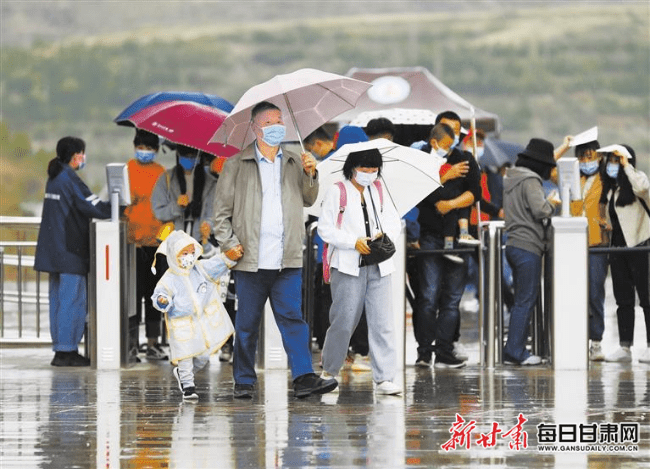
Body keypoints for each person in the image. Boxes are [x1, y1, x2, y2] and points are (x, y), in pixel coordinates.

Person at [213, 101, 338, 399]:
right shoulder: (236, 164)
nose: (276, 126)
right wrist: (230, 244)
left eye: (279, 121)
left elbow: (309, 200)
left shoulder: (296, 161)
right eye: (269, 122)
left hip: (287, 258)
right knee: (246, 324)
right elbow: (220, 215)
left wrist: (311, 174)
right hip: (250, 259)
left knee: (293, 319)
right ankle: (243, 379)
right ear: (255, 128)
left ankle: (304, 378)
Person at [318, 148, 403, 395]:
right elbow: (325, 229)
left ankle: (385, 377)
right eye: (364, 169)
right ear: (352, 167)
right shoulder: (338, 190)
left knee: (382, 321)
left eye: (374, 169)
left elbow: (393, 220)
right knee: (344, 319)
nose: (369, 174)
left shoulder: (378, 189)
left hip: (378, 262)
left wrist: (383, 235)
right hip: (347, 264)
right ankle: (329, 370)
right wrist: (352, 241)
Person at [34, 136, 112, 366]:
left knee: (58, 301)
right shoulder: (70, 178)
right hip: (70, 251)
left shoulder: (55, 176)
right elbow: (93, 206)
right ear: (76, 154)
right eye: (82, 153)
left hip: (53, 251)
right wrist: (119, 206)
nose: (83, 157)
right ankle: (67, 351)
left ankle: (60, 348)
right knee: (73, 301)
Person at [414, 122, 481, 368]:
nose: (450, 148)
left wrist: (449, 204)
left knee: (452, 298)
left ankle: (444, 350)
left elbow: (474, 193)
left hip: (459, 236)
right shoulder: (420, 158)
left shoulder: (465, 158)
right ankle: (424, 351)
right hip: (429, 234)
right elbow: (419, 193)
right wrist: (446, 176)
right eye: (446, 143)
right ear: (434, 141)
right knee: (428, 296)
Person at [151, 230, 235, 400]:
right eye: (184, 253)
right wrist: (163, 300)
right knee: (185, 356)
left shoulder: (199, 269)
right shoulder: (169, 278)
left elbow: (216, 264)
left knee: (203, 357)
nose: (189, 256)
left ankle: (182, 375)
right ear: (175, 255)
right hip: (181, 324)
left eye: (191, 252)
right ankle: (188, 386)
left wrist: (229, 258)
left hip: (199, 323)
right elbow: (160, 294)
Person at [502, 138, 561, 366]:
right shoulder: (531, 180)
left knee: (521, 300)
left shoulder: (511, 178)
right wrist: (552, 202)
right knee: (525, 301)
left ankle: (514, 349)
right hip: (529, 246)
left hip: (514, 244)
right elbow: (540, 210)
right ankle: (515, 352)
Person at [598, 146, 650, 363]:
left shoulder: (637, 181)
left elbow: (643, 189)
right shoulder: (610, 189)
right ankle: (625, 346)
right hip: (618, 248)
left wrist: (626, 165)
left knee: (647, 298)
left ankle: (648, 345)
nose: (612, 164)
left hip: (640, 246)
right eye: (610, 160)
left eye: (616, 160)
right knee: (623, 299)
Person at [123, 129, 168, 362]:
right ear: (134, 146)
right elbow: (118, 204)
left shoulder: (162, 173)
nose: (144, 151)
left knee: (154, 296)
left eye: (149, 148)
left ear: (156, 150)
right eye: (140, 146)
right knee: (133, 297)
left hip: (155, 244)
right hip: (133, 244)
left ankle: (152, 344)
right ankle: (132, 344)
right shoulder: (127, 170)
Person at [150, 144, 212, 243]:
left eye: (192, 156)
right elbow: (158, 212)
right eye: (185, 155)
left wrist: (208, 225)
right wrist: (177, 206)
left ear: (199, 156)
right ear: (178, 155)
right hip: (174, 241)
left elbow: (214, 213)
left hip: (202, 242)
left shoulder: (210, 182)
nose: (189, 158)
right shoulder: (166, 179)